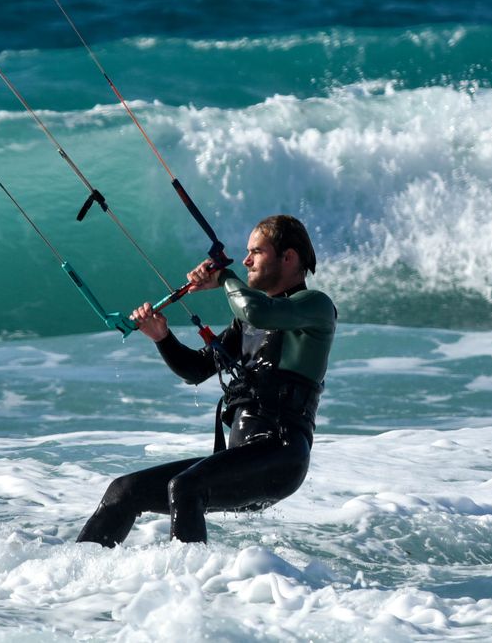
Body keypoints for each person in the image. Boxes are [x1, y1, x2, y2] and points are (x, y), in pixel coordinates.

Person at [76, 214, 336, 547]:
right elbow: (196, 369)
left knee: (185, 487)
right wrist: (162, 337)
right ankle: (72, 575)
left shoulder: (315, 307)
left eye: (257, 252)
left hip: (282, 454)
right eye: (246, 252)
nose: (246, 261)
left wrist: (224, 277)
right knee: (125, 490)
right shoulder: (248, 324)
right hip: (244, 456)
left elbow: (258, 311)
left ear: (289, 258)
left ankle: (187, 586)